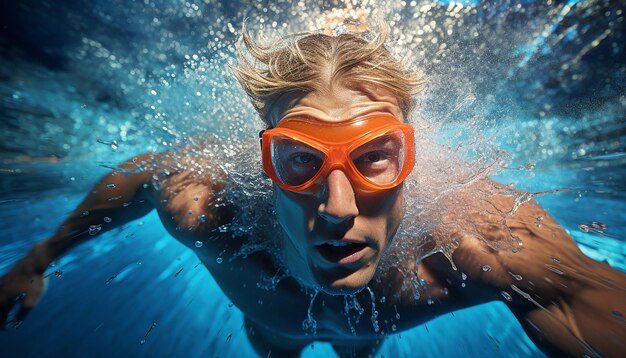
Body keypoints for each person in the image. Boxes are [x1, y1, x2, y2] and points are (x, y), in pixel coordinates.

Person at [1, 22, 624, 358]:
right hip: (275, 333)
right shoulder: (208, 211)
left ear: (411, 154)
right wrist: (39, 258)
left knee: (359, 348)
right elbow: (144, 170)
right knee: (276, 341)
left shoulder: (485, 245)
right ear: (263, 157)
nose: (338, 209)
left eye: (376, 158)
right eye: (298, 160)